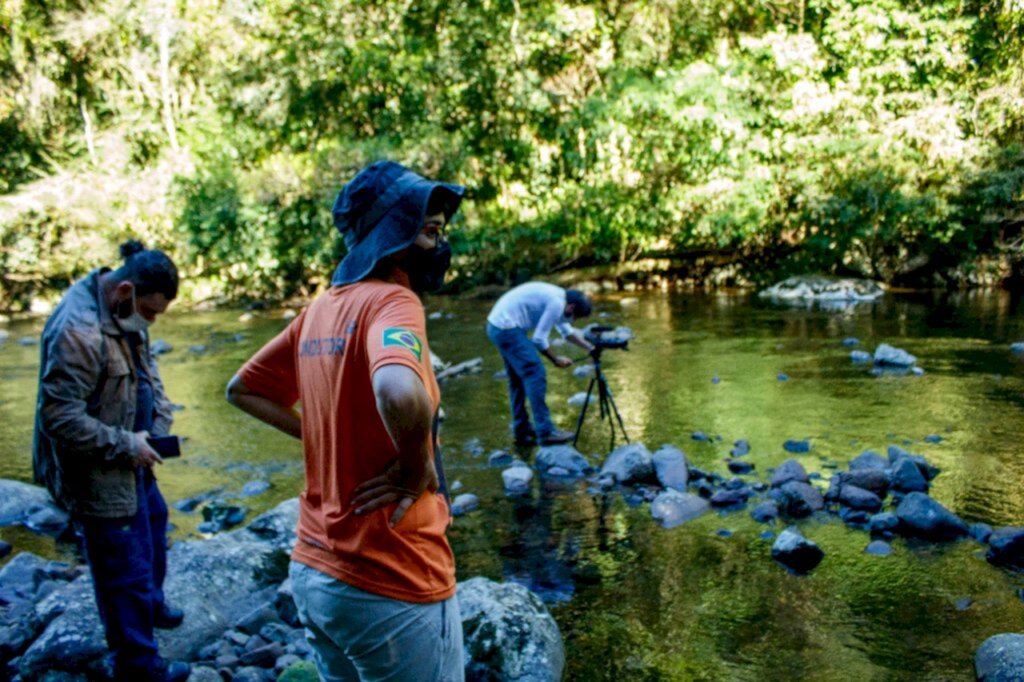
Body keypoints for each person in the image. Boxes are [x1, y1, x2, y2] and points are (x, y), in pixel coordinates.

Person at [226, 160, 465, 682]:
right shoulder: (394, 301)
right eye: (430, 232)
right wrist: (413, 466)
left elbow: (243, 390)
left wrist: (316, 433)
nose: (440, 246)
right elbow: (397, 389)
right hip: (391, 576)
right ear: (394, 235)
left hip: (317, 569)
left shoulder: (320, 310)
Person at [33, 241, 189, 682]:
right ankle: (137, 665)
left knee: (154, 526)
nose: (152, 322)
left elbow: (148, 371)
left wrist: (159, 418)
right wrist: (126, 444)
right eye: (151, 313)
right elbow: (58, 418)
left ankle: (151, 607)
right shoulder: (76, 331)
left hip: (136, 455)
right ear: (124, 290)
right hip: (99, 468)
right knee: (122, 567)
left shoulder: (125, 308)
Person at [486, 281, 594, 446]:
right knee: (535, 372)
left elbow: (566, 332)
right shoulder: (557, 303)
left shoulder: (561, 299)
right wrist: (556, 359)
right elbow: (538, 339)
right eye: (576, 317)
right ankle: (546, 431)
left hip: (497, 326)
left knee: (517, 380)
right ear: (571, 308)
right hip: (506, 328)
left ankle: (522, 429)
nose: (574, 320)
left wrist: (590, 348)